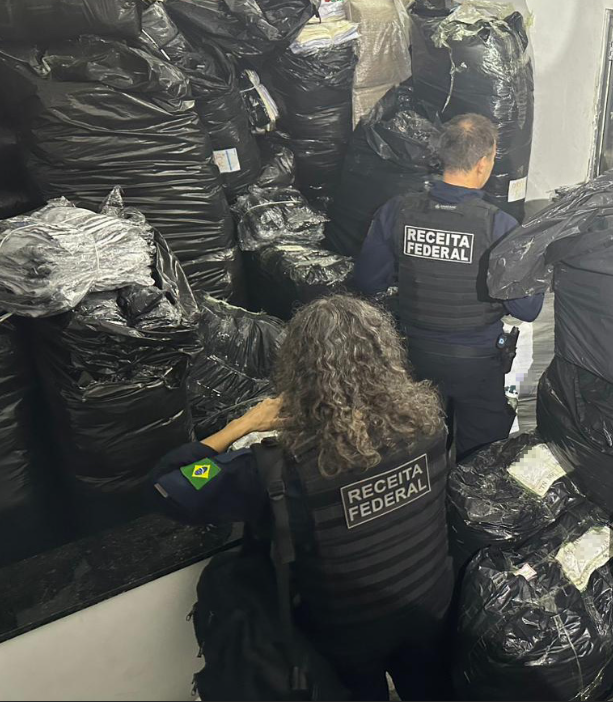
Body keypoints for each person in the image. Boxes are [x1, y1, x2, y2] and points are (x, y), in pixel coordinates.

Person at [152, 295, 453, 701]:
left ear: (299, 372)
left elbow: (170, 486)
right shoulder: (429, 425)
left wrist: (242, 425)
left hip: (347, 636)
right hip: (429, 608)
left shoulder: (276, 467)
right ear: (386, 356)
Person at [352, 113, 544, 459]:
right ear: (484, 162)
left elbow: (368, 281)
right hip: (477, 365)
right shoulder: (500, 226)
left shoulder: (397, 210)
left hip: (413, 358)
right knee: (479, 463)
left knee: (417, 455)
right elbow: (527, 309)